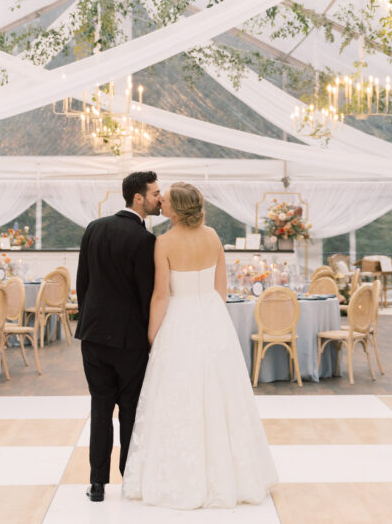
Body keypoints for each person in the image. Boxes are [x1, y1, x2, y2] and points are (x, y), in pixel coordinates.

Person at [122, 182, 278, 509]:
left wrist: (153, 336)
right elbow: (221, 290)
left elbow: (161, 295)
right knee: (221, 396)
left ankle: (178, 477)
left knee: (178, 394)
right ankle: (233, 476)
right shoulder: (213, 237)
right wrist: (214, 323)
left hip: (178, 319)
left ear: (177, 209)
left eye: (165, 200)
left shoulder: (163, 242)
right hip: (212, 316)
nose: (160, 201)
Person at [75, 171, 162, 503]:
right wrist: (148, 337)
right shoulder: (145, 241)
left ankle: (97, 484)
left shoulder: (94, 228)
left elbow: (83, 284)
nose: (159, 198)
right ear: (138, 198)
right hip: (130, 341)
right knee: (129, 410)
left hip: (93, 336)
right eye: (155, 193)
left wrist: (88, 322)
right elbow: (147, 296)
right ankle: (129, 478)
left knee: (100, 408)